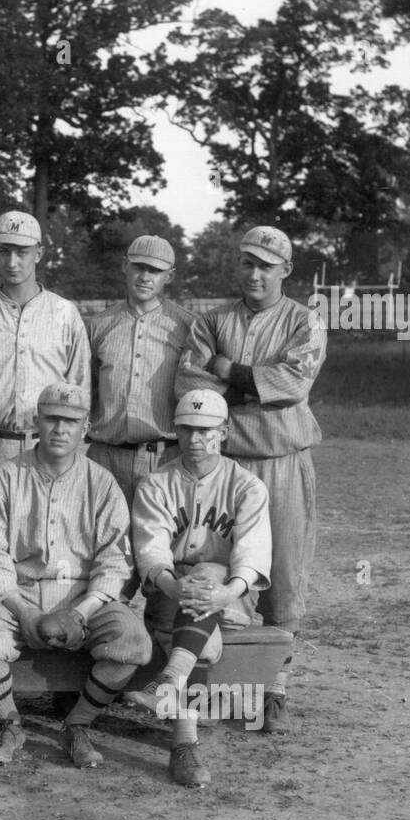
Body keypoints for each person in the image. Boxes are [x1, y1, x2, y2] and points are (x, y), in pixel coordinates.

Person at [175, 226, 326, 732]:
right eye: (247, 263)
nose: (256, 273)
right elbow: (192, 383)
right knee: (220, 570)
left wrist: (230, 373)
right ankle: (219, 684)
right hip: (228, 465)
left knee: (282, 573)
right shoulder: (212, 319)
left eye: (267, 264)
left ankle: (276, 688)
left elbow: (292, 382)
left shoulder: (305, 320)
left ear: (286, 270)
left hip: (282, 459)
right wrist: (253, 382)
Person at [0, 383, 151, 768]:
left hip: (84, 597)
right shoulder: (5, 477)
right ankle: (10, 723)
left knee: (134, 644)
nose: (60, 429)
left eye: (71, 421)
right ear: (36, 421)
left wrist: (80, 613)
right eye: (52, 418)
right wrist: (23, 611)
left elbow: (115, 562)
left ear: (86, 428)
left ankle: (78, 723)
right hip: (20, 593)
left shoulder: (101, 482)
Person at [127, 389, 272, 788]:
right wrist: (173, 585)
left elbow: (252, 555)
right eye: (187, 429)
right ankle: (182, 736)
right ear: (176, 429)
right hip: (170, 593)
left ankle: (182, 734)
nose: (195, 439)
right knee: (201, 648)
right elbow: (152, 549)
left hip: (231, 596)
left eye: (206, 431)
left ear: (224, 432)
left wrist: (226, 591)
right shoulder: (156, 483)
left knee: (209, 571)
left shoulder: (247, 486)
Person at [0, 211, 90, 549]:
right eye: (4, 251)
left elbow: (79, 391)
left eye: (22, 251)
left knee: (42, 541)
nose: (13, 261)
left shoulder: (64, 312)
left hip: (46, 447)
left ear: (39, 253)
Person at [87, 235, 194, 507]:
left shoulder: (186, 326)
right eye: (139, 267)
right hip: (106, 456)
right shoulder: (98, 325)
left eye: (156, 271)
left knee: (160, 545)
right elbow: (88, 389)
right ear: (125, 266)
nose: (145, 276)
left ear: (169, 276)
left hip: (165, 456)